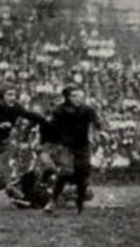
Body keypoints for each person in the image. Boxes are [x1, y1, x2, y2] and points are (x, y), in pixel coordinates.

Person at [0, 84, 44, 215]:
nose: (13, 97)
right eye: (9, 95)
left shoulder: (15, 107)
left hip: (2, 145)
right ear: (1, 97)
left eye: (14, 94)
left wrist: (44, 120)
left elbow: (29, 115)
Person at [44, 86, 104, 214]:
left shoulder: (87, 110)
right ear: (67, 97)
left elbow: (97, 122)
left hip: (83, 145)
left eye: (80, 96)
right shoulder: (59, 111)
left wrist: (100, 130)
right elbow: (53, 128)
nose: (78, 99)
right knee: (65, 171)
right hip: (66, 146)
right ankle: (53, 200)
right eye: (74, 96)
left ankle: (80, 203)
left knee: (82, 173)